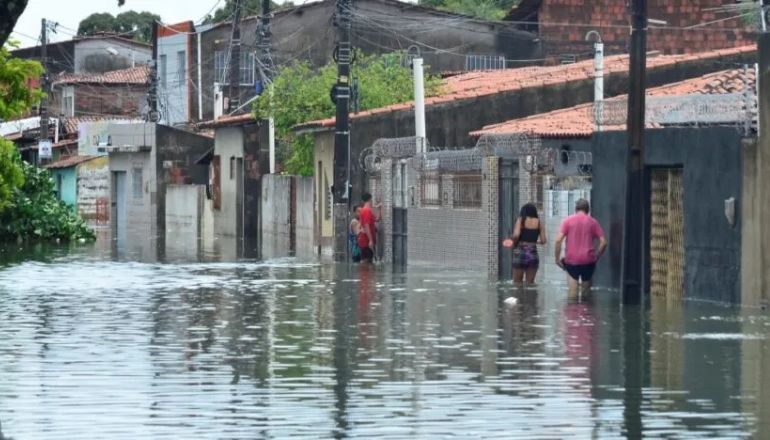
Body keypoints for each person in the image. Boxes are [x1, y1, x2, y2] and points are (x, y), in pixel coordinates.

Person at [554, 199, 607, 295]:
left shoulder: (568, 221)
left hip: (572, 260)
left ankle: (573, 308)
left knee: (572, 293)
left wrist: (557, 259)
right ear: (588, 210)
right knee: (586, 294)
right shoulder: (593, 222)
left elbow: (558, 240)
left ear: (576, 209)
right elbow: (603, 242)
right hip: (588, 260)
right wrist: (597, 256)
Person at [512, 203, 547, 285]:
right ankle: (530, 298)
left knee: (517, 284)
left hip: (520, 252)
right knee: (530, 284)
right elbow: (544, 240)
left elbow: (516, 235)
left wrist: (513, 242)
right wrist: (534, 241)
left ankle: (518, 297)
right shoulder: (539, 223)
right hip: (533, 254)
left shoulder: (521, 220)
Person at [358, 193, 376, 263]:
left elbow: (376, 218)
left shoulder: (366, 210)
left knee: (368, 260)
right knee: (366, 260)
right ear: (370, 199)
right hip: (366, 240)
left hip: (365, 239)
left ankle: (365, 273)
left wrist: (379, 208)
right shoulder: (366, 211)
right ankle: (365, 273)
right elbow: (366, 226)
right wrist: (370, 240)